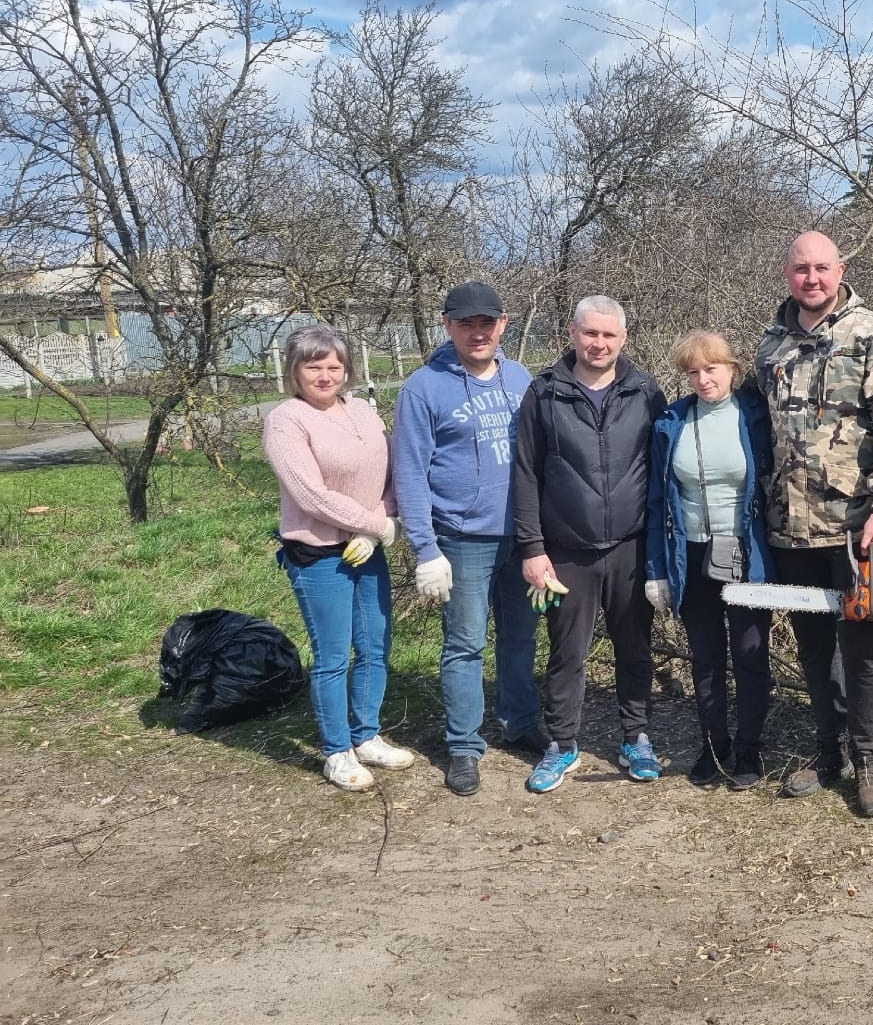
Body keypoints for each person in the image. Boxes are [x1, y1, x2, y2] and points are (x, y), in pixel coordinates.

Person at [755, 230, 873, 817]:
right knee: (813, 644)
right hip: (789, 525)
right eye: (801, 269)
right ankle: (828, 750)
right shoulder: (770, 345)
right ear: (786, 272)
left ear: (840, 269)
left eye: (822, 268)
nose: (812, 279)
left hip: (853, 524)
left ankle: (869, 757)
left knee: (864, 645)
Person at [392, 281, 542, 798]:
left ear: (503, 324)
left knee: (521, 637)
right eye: (465, 323)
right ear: (448, 325)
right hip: (461, 539)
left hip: (521, 536)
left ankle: (521, 723)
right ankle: (463, 745)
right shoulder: (423, 388)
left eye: (487, 322)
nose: (477, 332)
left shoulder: (521, 378)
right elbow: (409, 474)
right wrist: (424, 548)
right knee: (465, 643)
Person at [514, 295, 666, 793]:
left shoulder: (645, 392)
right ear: (573, 334)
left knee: (634, 648)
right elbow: (525, 473)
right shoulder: (545, 393)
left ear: (624, 339)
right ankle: (562, 744)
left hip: (630, 547)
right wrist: (532, 548)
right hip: (566, 552)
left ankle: (636, 737)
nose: (598, 343)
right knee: (567, 653)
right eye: (590, 333)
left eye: (609, 335)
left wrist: (662, 550)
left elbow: (662, 470)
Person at [263, 323, 413, 792]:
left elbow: (393, 473)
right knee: (333, 655)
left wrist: (381, 522)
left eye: (334, 365)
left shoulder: (364, 412)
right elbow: (311, 495)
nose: (325, 375)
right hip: (319, 553)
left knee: (374, 646)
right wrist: (374, 526)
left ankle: (366, 735)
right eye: (314, 366)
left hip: (369, 548)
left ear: (346, 369)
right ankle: (336, 750)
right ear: (295, 370)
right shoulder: (286, 420)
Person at [644, 332, 776, 791]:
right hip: (690, 554)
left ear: (732, 368)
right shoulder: (672, 422)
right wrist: (656, 570)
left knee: (750, 654)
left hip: (745, 551)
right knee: (705, 657)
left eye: (712, 368)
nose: (703, 379)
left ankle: (749, 748)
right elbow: (658, 501)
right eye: (693, 372)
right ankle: (714, 744)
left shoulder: (757, 416)